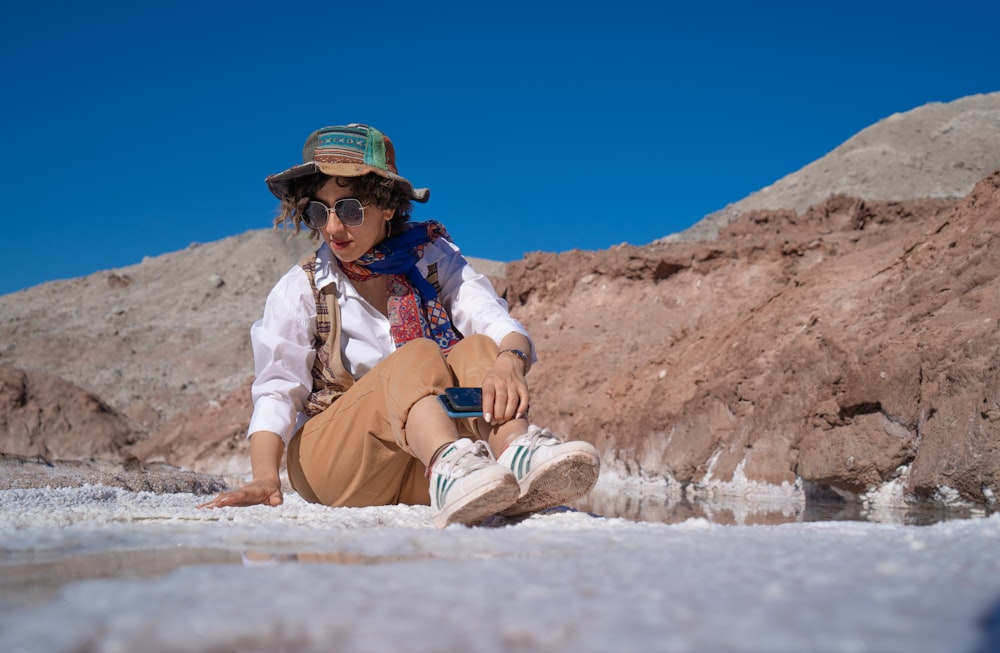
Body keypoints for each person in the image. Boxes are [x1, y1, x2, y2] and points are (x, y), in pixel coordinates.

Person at [198, 123, 600, 528]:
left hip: (414, 464)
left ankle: (514, 455)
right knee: (420, 354)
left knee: (480, 349)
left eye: (350, 208)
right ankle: (451, 463)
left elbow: (495, 321)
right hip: (335, 466)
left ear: (387, 205)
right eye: (320, 211)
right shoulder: (302, 288)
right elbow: (277, 389)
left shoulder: (432, 260)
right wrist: (264, 478)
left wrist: (510, 361)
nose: (334, 227)